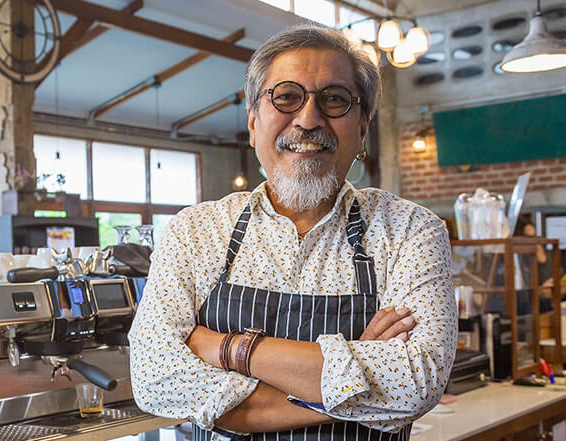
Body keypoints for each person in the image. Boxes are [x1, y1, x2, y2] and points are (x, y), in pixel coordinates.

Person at [128, 24, 456, 441]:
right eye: (285, 97)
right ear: (253, 123)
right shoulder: (195, 231)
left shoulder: (411, 231)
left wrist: (230, 349)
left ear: (363, 128)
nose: (308, 119)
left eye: (334, 99)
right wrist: (355, 390)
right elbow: (153, 379)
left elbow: (417, 384)